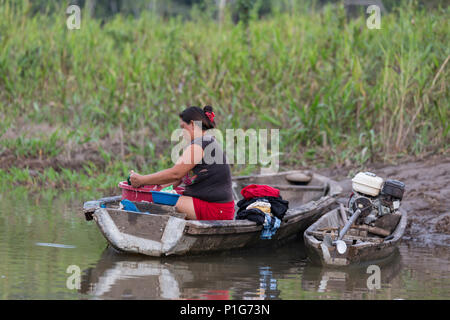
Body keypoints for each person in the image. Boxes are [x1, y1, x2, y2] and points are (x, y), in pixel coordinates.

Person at [129, 106, 235, 220]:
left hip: (216, 209)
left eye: (183, 127)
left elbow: (175, 174)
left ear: (193, 124)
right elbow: (177, 179)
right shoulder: (204, 141)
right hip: (218, 207)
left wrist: (142, 180)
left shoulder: (201, 144)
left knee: (159, 204)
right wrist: (149, 188)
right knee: (157, 198)